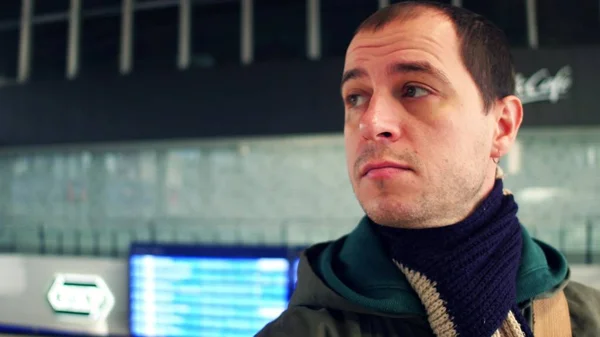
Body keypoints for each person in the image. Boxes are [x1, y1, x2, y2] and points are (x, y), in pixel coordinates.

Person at [256, 1, 600, 337]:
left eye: (414, 89)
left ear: (502, 127)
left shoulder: (585, 317)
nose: (371, 123)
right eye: (356, 97)